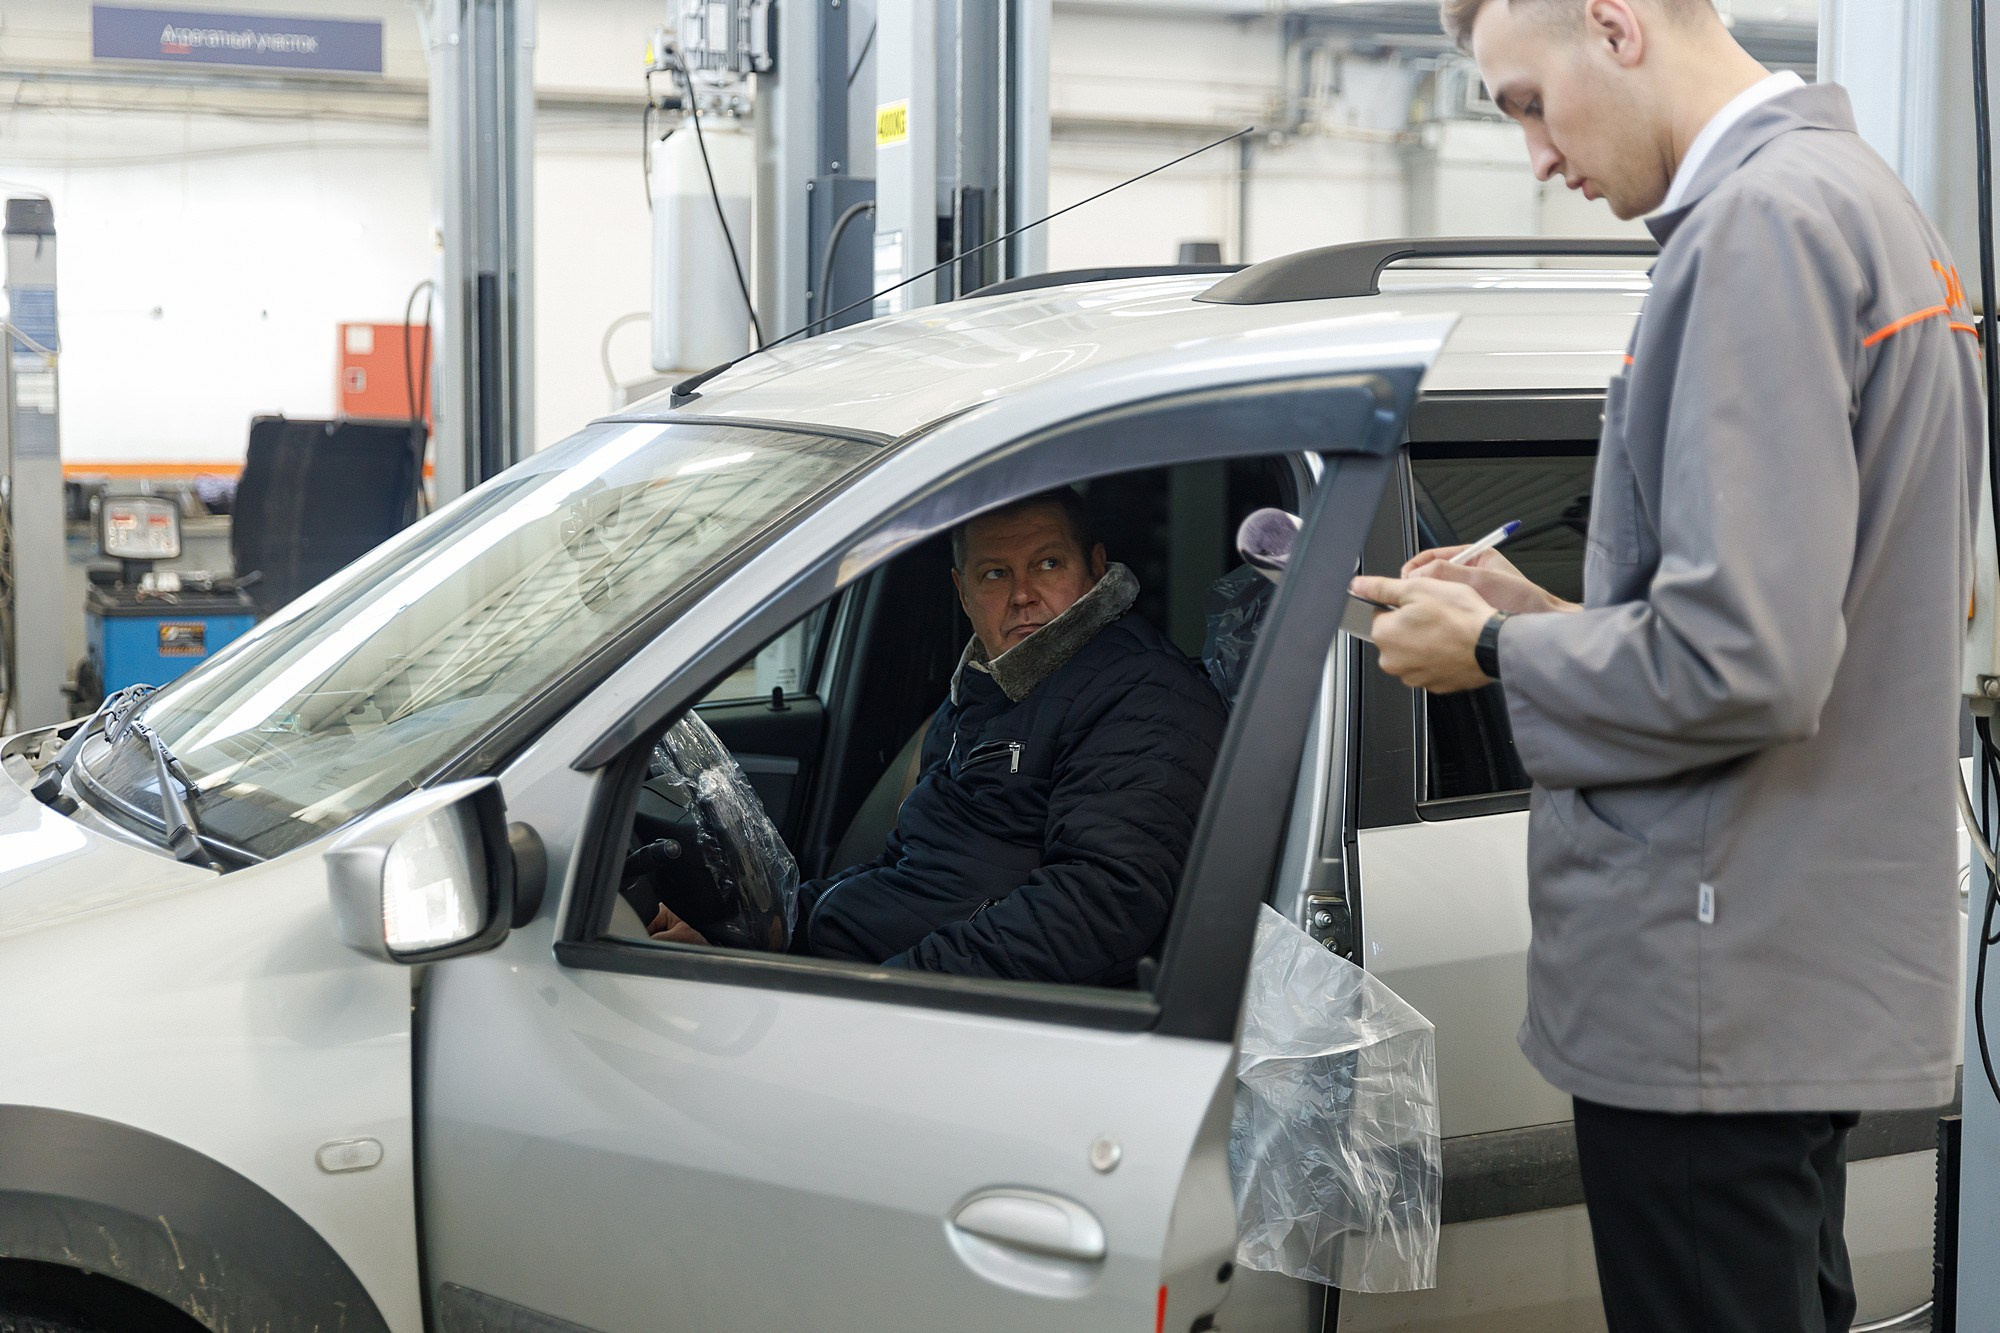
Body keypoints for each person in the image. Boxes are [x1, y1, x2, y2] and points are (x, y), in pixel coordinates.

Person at [1350, 3, 1983, 1330]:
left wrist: (1490, 647)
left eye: (1528, 102)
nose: (1535, 156)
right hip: (1787, 963)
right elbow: (1804, 603)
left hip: (1713, 973)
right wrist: (1540, 604)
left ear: (1612, 23)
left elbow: (1743, 662)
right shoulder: (1858, 203)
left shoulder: (1756, 233)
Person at [654, 487, 1229, 987]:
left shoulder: (1142, 695)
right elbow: (911, 863)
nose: (1023, 594)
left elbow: (1099, 906)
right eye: (995, 574)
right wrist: (756, 933)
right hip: (864, 973)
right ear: (962, 591)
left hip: (939, 1007)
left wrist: (894, 991)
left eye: (1049, 564)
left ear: (1096, 568)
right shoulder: (986, 690)